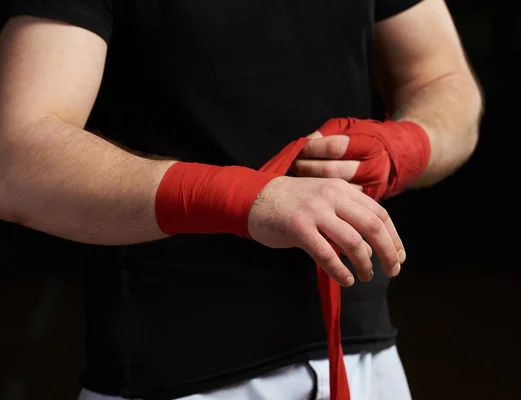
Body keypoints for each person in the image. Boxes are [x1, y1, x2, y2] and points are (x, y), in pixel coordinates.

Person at [0, 0, 482, 398]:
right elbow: (16, 160)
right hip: (179, 377)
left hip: (367, 361)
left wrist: (407, 146)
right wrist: (246, 198)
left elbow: (443, 80)